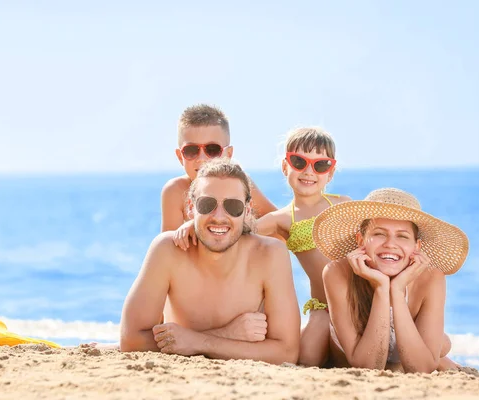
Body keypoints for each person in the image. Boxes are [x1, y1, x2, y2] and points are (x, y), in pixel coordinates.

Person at [175, 126, 350, 366]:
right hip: (324, 307)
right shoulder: (281, 219)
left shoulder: (343, 205)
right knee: (306, 358)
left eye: (320, 165)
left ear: (330, 173)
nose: (309, 171)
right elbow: (235, 230)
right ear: (285, 166)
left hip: (356, 298)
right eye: (299, 162)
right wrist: (193, 226)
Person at [120, 158, 300, 365]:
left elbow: (287, 352)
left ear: (248, 210)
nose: (219, 217)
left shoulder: (269, 254)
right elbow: (131, 339)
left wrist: (198, 341)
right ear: (190, 207)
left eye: (233, 206)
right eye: (207, 204)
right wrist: (227, 334)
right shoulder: (167, 250)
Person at [314, 188, 469, 372]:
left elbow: (423, 369)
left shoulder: (431, 278)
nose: (390, 244)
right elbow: (368, 366)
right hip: (357, 354)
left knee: (441, 345)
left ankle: (434, 352)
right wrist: (381, 288)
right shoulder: (336, 273)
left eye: (402, 236)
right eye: (379, 234)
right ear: (361, 240)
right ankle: (431, 355)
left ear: (416, 247)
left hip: (406, 349)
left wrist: (397, 289)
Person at [161, 104, 277, 233]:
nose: (202, 158)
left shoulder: (239, 184)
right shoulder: (175, 191)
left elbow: (279, 223)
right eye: (191, 150)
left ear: (228, 154)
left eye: (212, 150)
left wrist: (242, 227)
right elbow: (169, 246)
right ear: (179, 156)